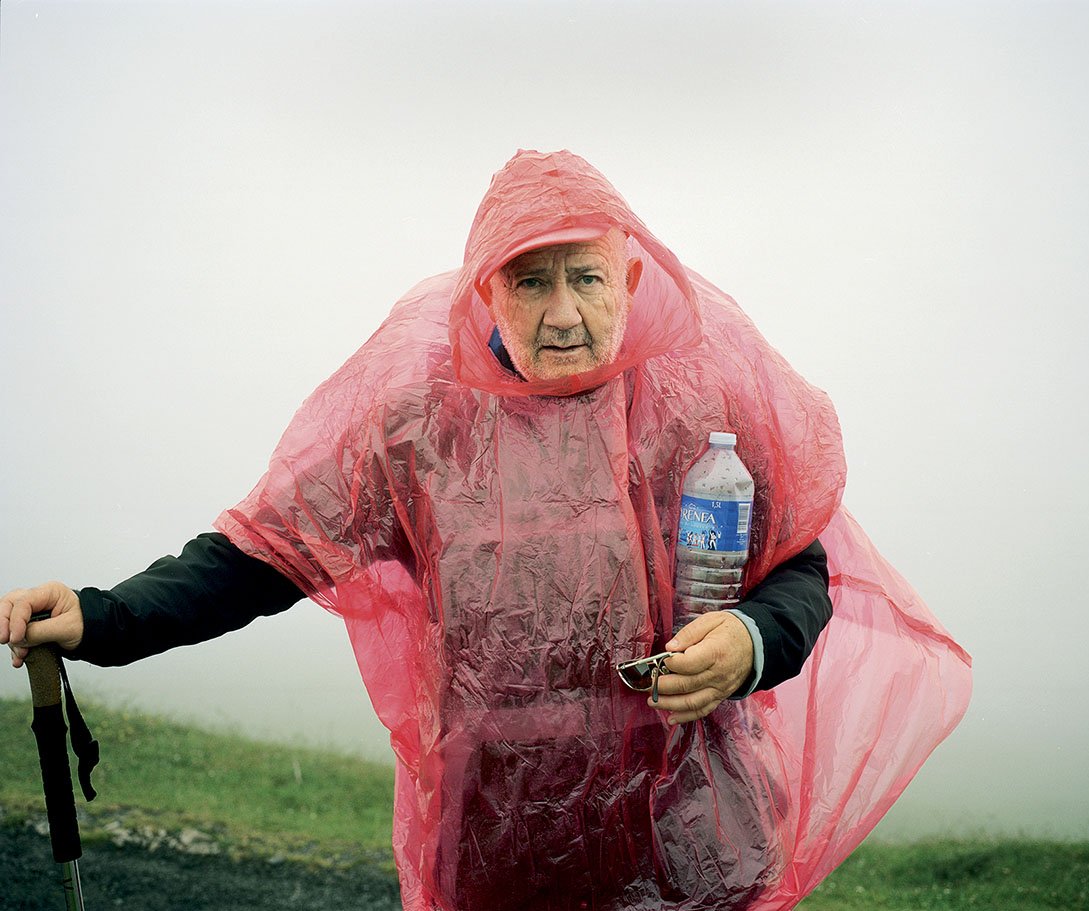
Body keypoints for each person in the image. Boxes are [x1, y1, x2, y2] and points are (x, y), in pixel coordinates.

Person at [2, 150, 970, 910]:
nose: (562, 312)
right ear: (484, 291)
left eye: (584, 277)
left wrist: (751, 641)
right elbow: (265, 554)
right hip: (501, 862)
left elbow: (800, 565)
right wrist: (102, 616)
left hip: (694, 855)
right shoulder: (420, 412)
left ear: (628, 277)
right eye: (529, 279)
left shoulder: (698, 396)